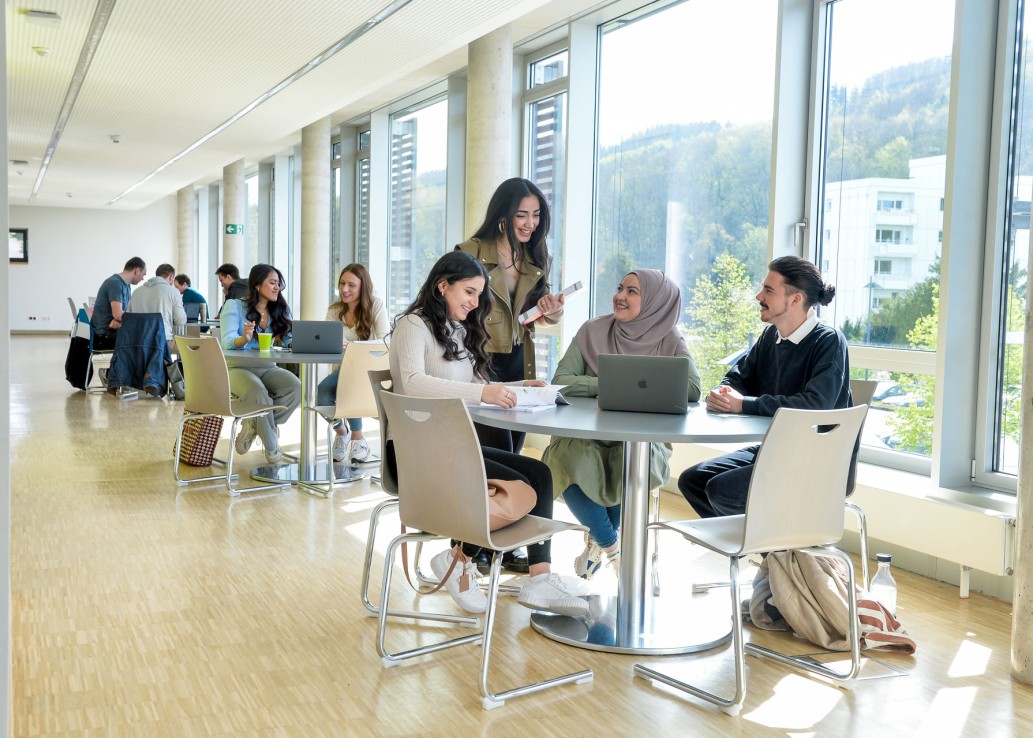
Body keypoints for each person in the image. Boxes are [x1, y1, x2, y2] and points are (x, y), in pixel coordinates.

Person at [389, 251, 588, 617]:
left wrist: (517, 385)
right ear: (442, 286)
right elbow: (413, 383)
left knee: (540, 474)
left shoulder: (454, 330)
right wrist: (484, 392)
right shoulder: (411, 326)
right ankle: (458, 560)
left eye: (479, 295)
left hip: (452, 445)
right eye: (468, 292)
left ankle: (538, 578)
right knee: (521, 487)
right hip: (420, 452)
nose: (474, 303)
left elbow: (472, 384)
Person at [542, 270, 702, 579]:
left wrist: (618, 382)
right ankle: (615, 550)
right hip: (587, 434)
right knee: (564, 460)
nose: (620, 296)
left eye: (632, 291)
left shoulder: (670, 337)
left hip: (642, 438)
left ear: (656, 301)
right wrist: (609, 383)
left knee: (632, 463)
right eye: (619, 288)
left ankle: (599, 537)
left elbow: (693, 389)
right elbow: (560, 381)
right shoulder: (592, 330)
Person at [677, 255, 852, 519]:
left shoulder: (828, 341)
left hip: (816, 459)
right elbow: (740, 376)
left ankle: (780, 554)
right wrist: (724, 393)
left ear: (795, 299)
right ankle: (774, 553)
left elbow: (817, 404)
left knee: (722, 491)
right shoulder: (771, 336)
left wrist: (743, 404)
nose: (759, 296)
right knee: (692, 480)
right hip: (777, 448)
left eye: (768, 290)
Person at [454, 178, 565, 454]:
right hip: (480, 356)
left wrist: (552, 309)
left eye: (536, 215)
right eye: (522, 215)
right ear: (503, 216)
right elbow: (453, 307)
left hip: (520, 359)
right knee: (489, 451)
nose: (531, 223)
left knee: (514, 448)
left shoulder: (538, 257)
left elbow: (530, 315)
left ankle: (506, 497)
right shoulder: (471, 252)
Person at [220, 264, 301, 465]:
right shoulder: (234, 306)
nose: (276, 288)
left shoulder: (280, 309)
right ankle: (273, 451)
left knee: (295, 387)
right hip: (237, 367)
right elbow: (227, 341)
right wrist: (244, 339)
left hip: (267, 367)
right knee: (258, 394)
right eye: (272, 283)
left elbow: (289, 339)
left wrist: (298, 342)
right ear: (257, 285)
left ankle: (254, 423)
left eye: (278, 284)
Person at [317, 263, 390, 463]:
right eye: (342, 283)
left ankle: (358, 440)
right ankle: (342, 433)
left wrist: (353, 345)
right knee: (322, 394)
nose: (344, 289)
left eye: (351, 285)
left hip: (370, 370)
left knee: (347, 387)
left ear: (363, 286)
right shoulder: (335, 310)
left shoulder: (376, 305)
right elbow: (326, 338)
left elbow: (386, 340)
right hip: (343, 370)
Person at [90, 256, 147, 350]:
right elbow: (118, 315)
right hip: (104, 336)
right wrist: (123, 321)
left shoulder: (127, 286)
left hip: (112, 331)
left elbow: (125, 313)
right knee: (142, 341)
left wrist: (121, 322)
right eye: (143, 274)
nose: (143, 278)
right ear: (137, 271)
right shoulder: (115, 284)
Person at [128, 263, 186, 352]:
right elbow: (180, 321)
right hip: (163, 342)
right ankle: (171, 365)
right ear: (171, 277)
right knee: (193, 346)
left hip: (139, 342)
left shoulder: (136, 292)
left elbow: (128, 317)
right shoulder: (173, 292)